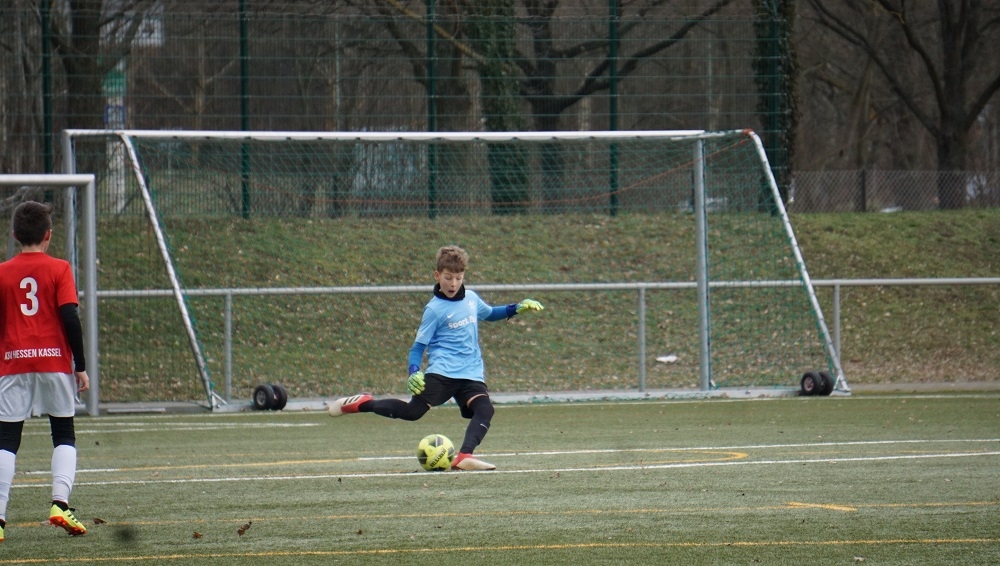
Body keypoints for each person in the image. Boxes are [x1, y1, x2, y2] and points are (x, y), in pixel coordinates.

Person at [327, 245, 544, 471]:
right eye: (448, 278)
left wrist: (517, 308)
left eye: (458, 278)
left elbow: (489, 313)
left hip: (471, 373)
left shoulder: (471, 298)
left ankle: (464, 457)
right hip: (442, 373)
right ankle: (362, 403)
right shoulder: (434, 310)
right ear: (437, 275)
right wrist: (414, 371)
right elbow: (417, 348)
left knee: (485, 409)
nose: (453, 283)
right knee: (412, 413)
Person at [0, 201, 90, 541]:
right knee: (63, 432)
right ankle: (59, 504)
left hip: (13, 363)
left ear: (14, 235)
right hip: (53, 362)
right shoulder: (60, 269)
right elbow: (70, 316)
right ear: (48, 235)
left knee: (6, 440)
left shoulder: (2, 272)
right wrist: (80, 365)